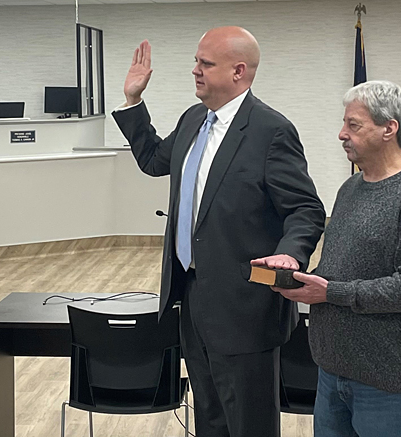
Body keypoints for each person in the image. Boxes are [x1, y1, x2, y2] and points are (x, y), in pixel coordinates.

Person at [113, 27, 325, 436]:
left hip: (247, 307)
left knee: (249, 425)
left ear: (238, 71)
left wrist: (291, 253)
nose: (194, 70)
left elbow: (305, 208)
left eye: (205, 64)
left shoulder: (270, 131)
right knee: (209, 420)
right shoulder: (194, 119)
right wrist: (133, 101)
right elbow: (155, 160)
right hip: (192, 299)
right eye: (196, 61)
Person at [273, 80, 401, 437]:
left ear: (388, 129)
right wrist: (298, 278)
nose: (341, 134)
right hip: (331, 371)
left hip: (385, 381)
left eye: (353, 125)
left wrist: (330, 292)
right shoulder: (350, 188)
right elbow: (339, 271)